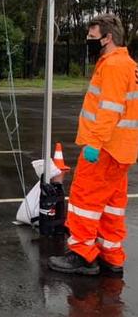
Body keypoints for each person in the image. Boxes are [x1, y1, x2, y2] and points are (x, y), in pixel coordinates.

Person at [49, 15, 138, 276]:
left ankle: (83, 255)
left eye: (91, 36)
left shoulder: (112, 66)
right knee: (112, 205)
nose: (88, 40)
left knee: (84, 201)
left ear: (107, 38)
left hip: (104, 149)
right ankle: (111, 256)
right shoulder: (129, 64)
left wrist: (94, 143)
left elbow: (108, 110)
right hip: (123, 150)